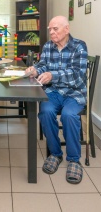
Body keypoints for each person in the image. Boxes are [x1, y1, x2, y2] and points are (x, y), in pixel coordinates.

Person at [26, 15, 87, 184]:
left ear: (66, 29)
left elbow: (77, 74)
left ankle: (74, 159)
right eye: (50, 30)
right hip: (53, 92)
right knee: (45, 112)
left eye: (55, 29)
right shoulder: (48, 46)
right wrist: (35, 70)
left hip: (74, 93)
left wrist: (53, 75)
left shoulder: (79, 47)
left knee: (68, 115)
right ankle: (55, 154)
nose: (51, 33)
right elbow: (43, 64)